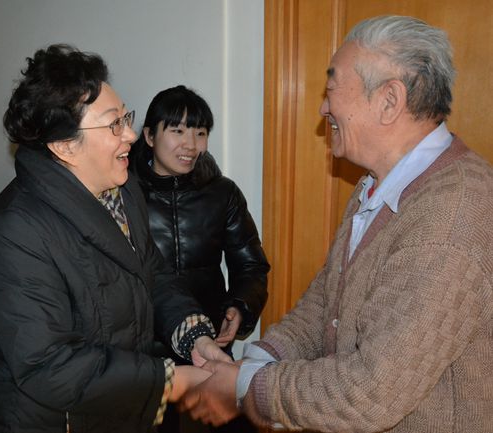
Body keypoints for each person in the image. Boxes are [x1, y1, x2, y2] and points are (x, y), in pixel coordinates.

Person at [180, 15, 493, 433]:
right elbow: (327, 302)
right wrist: (259, 360)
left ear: (389, 100)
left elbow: (371, 391)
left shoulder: (451, 218)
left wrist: (245, 387)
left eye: (331, 90)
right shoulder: (377, 184)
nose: (323, 109)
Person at [0, 44, 232, 433]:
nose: (131, 134)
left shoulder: (123, 190)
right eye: (114, 124)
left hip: (115, 406)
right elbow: (48, 365)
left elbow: (152, 274)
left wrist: (195, 336)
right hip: (49, 420)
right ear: (65, 146)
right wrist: (171, 381)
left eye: (125, 117)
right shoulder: (15, 230)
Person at [130, 85, 269, 433]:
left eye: (200, 132)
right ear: (149, 136)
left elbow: (250, 264)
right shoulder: (124, 195)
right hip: (143, 351)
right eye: (177, 131)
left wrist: (240, 306)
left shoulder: (223, 193)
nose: (191, 144)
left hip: (206, 343)